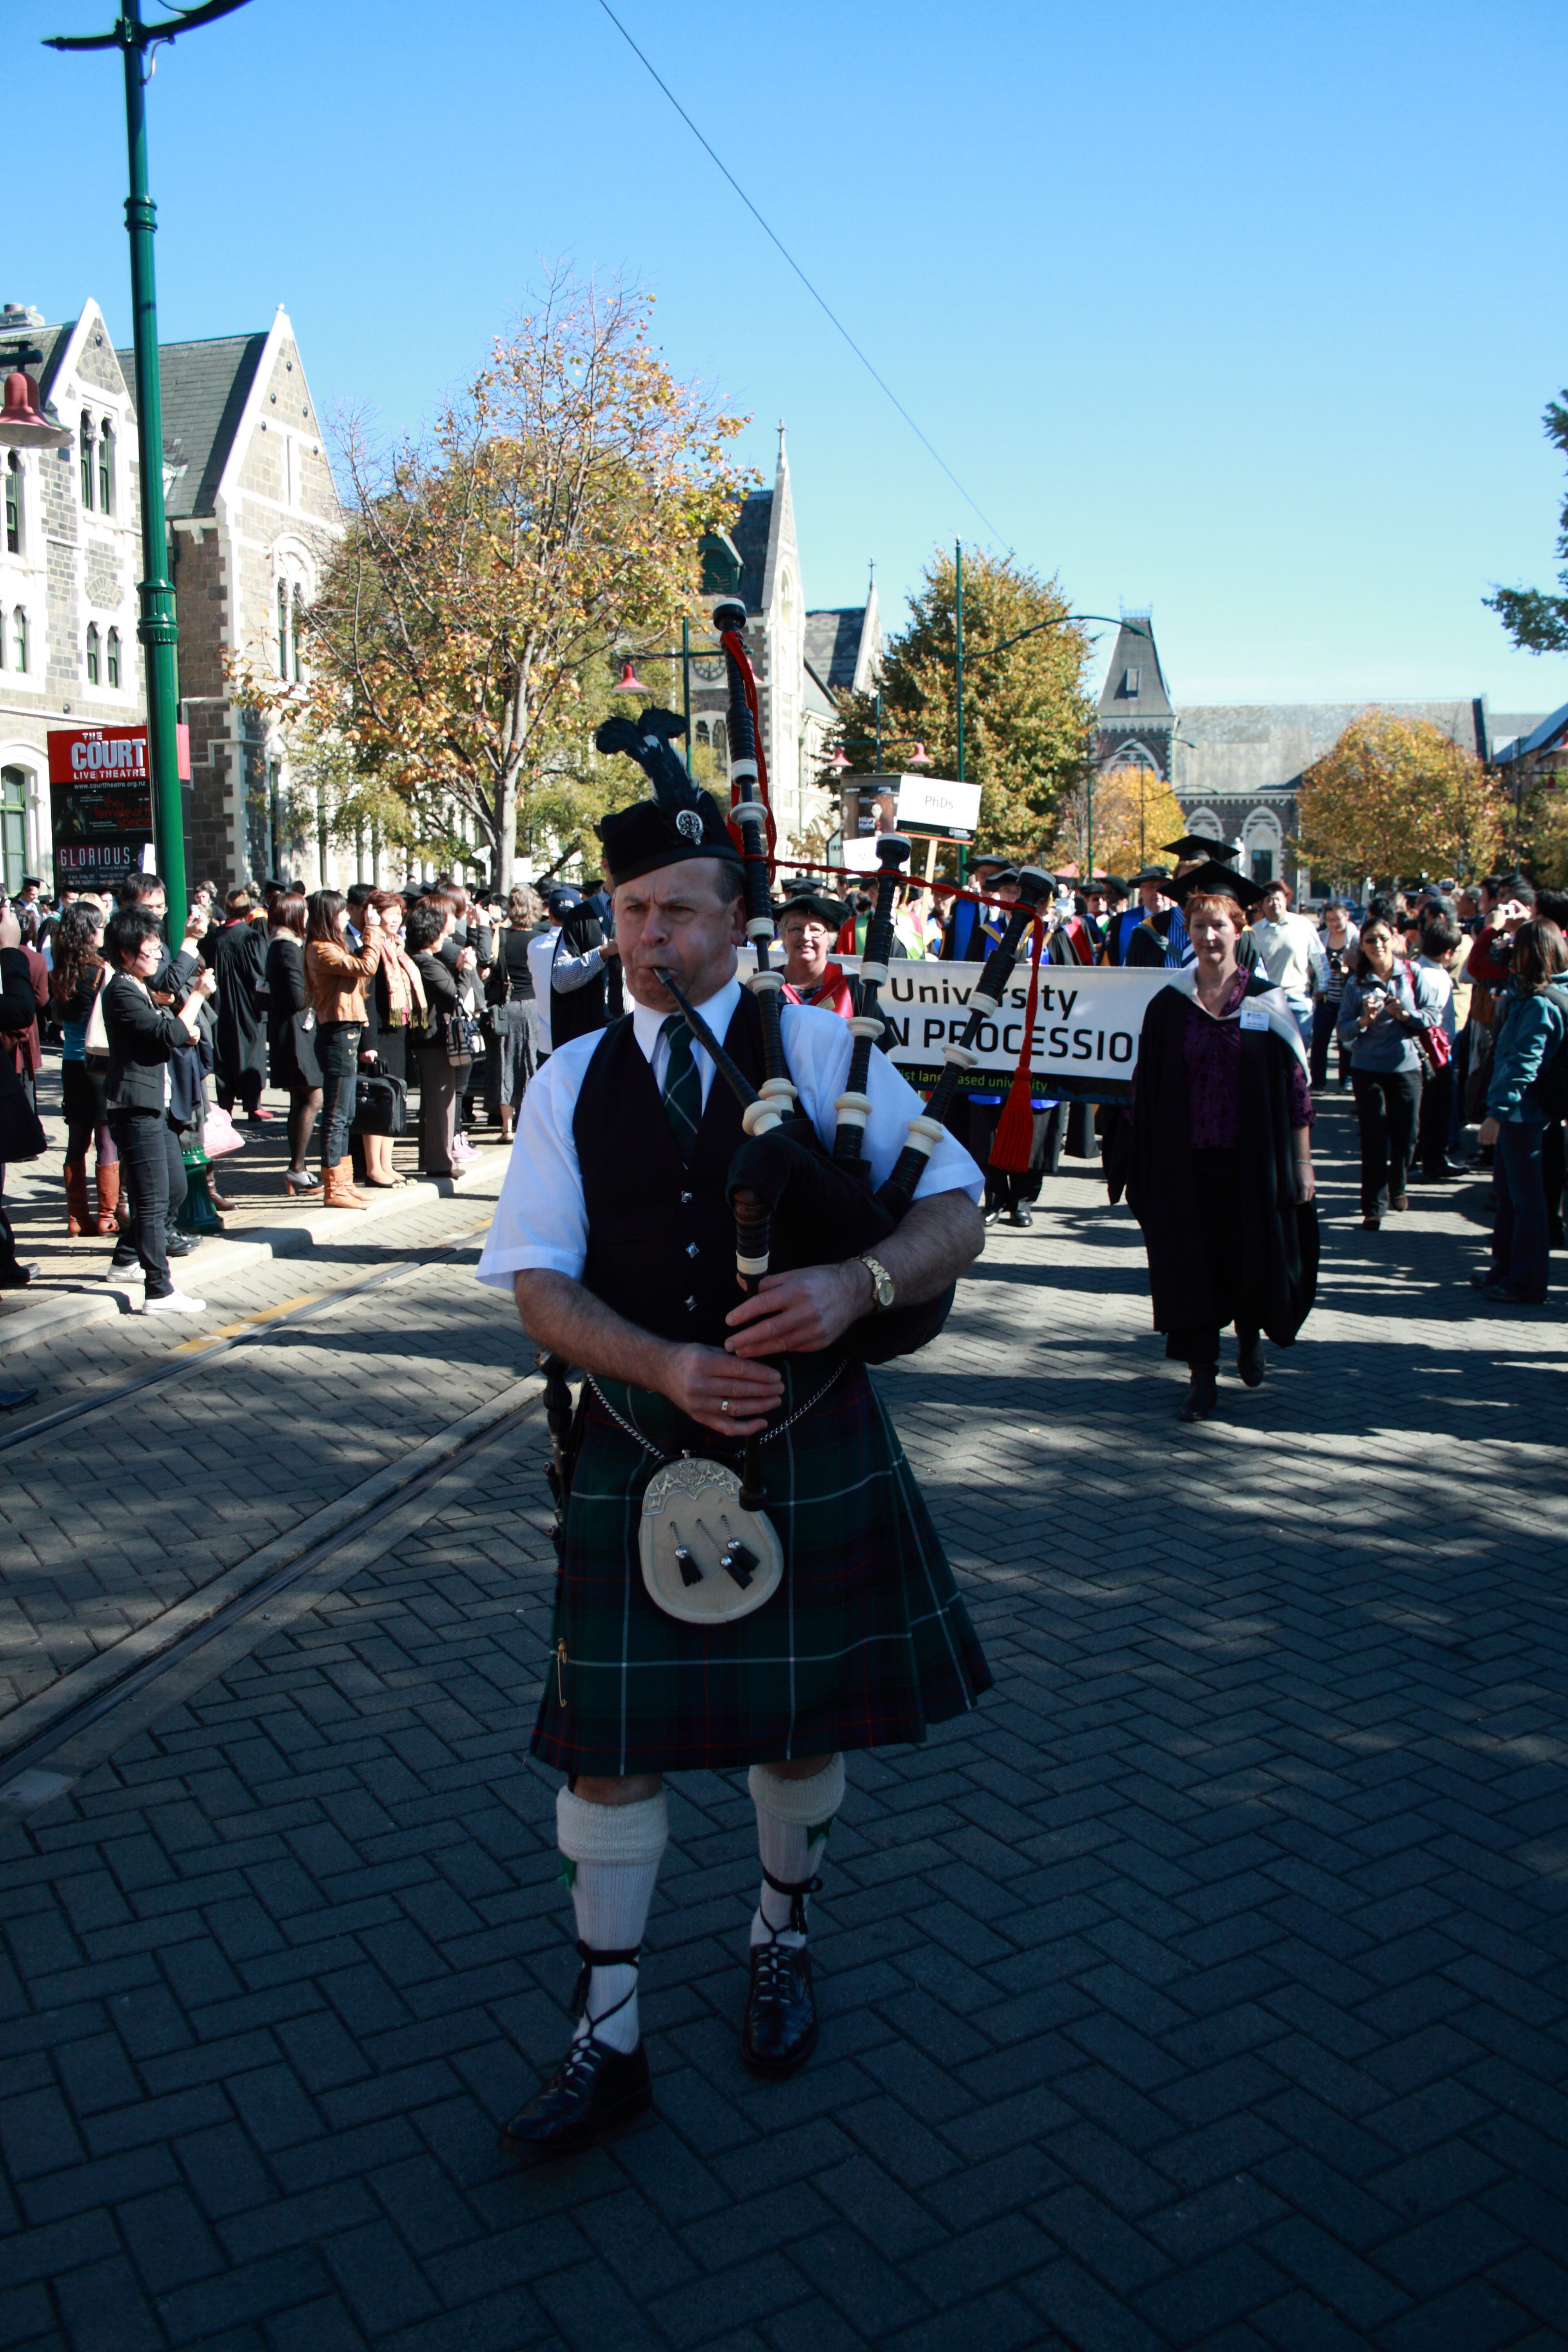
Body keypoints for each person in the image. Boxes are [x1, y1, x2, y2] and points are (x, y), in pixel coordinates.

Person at [475, 760, 989, 2163]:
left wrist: (858, 1286)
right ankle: (608, 2030)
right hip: (638, 1450)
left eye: (677, 911)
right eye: (629, 910)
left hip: (808, 1434)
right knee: (607, 1757)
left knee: (796, 1722)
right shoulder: (570, 1079)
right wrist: (659, 1362)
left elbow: (959, 1208)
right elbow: (536, 1286)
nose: (645, 936)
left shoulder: (821, 1053)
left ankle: (778, 1931)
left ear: (736, 921)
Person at [1125, 886, 1317, 1422]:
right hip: (1186, 1165)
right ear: (1187, 933)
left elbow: (1297, 1089)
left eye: (1219, 927)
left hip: (1253, 1164)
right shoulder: (1169, 1006)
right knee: (1193, 1270)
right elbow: (1148, 1083)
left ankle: (1250, 1334)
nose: (1209, 938)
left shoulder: (1266, 1003)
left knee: (1250, 1259)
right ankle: (1201, 1377)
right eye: (1199, 927)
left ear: (1239, 931)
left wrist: (1303, 1163)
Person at [101, 904, 219, 1312]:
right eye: (148, 948)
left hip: (157, 1108)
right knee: (151, 1201)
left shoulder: (140, 988)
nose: (155, 953)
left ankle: (126, 1260)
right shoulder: (119, 990)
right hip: (135, 1110)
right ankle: (159, 1290)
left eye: (155, 945)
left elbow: (167, 1030)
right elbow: (168, 1031)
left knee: (175, 1189)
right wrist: (199, 996)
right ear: (126, 953)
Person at [1474, 918, 1568, 1305]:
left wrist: (1496, 1112)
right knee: (1513, 1195)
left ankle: (1526, 1282)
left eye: (1517, 949)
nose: (1510, 955)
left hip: (1523, 1114)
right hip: (1526, 1113)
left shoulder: (1542, 1003)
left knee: (1527, 1201)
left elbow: (1523, 1064)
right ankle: (1507, 1270)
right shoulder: (1537, 996)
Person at [1337, 915, 1441, 1230]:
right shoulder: (1356, 983)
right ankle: (1373, 1207)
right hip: (1368, 1067)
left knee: (1407, 1134)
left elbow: (1432, 1015)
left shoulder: (1412, 973)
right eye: (1370, 940)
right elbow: (1343, 1031)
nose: (1378, 945)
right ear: (1363, 947)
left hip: (1406, 1066)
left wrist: (1406, 1014)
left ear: (1393, 939)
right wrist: (1364, 1021)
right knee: (1374, 1138)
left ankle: (1399, 1182)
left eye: (1383, 938)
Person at [303, 889, 382, 1209]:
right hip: (335, 1033)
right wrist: (373, 931)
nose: (345, 917)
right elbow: (365, 967)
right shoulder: (321, 949)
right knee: (336, 1114)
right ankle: (333, 1187)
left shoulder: (333, 945)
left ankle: (345, 1182)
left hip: (347, 1030)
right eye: (340, 913)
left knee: (347, 1113)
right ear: (327, 915)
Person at [50, 900, 121, 1236]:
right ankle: (108, 1215)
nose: (103, 932)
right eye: (100, 927)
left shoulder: (59, 972)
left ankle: (77, 1217)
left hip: (69, 1062)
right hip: (99, 1062)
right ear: (90, 931)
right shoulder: (100, 972)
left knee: (77, 1138)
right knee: (106, 1137)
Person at [357, 889, 425, 1186]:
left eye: (399, 914)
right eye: (390, 913)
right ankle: (374, 1168)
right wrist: (368, 1043)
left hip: (398, 1033)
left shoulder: (398, 947)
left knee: (394, 1100)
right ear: (374, 913)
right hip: (378, 1034)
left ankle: (388, 1164)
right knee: (379, 1101)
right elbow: (366, 999)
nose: (396, 919)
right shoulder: (369, 946)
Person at [264, 890, 323, 1194]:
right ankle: (297, 1168)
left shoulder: (281, 945)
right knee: (313, 1097)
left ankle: (297, 1168)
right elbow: (298, 996)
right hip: (296, 1031)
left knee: (301, 1099)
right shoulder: (287, 948)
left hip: (292, 1030)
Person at [408, 899, 467, 1177]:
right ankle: (441, 1162)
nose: (445, 937)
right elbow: (456, 995)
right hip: (434, 1039)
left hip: (428, 1037)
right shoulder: (427, 964)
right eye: (441, 933)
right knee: (441, 1102)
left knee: (434, 1102)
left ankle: (431, 1159)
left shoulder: (418, 958)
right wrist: (467, 971)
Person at [206, 886, 270, 1122]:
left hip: (218, 1005)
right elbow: (260, 975)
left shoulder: (211, 939)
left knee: (223, 1053)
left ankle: (225, 1107)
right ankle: (253, 1106)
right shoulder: (251, 938)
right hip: (247, 1006)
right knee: (250, 1052)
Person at [485, 887, 541, 1141]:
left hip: (507, 1006)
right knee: (531, 1062)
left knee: (505, 1064)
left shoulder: (502, 936)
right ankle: (530, 1124)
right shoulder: (540, 938)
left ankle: (507, 1128)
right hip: (533, 1004)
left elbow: (491, 964)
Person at [1249, 878, 1328, 1053]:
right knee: (1272, 1051)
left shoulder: (1303, 925)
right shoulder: (1254, 932)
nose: (1274, 903)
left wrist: (1322, 986)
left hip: (1298, 998)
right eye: (1269, 900)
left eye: (1278, 898)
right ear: (1262, 905)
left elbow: (1319, 957)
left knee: (1300, 1048)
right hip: (1268, 1000)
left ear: (1286, 900)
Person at [1412, 912, 1463, 1183]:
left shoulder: (1418, 968)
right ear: (1447, 952)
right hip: (1436, 1050)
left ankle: (1425, 1158)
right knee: (1436, 1108)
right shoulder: (1434, 976)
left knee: (1428, 1109)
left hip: (1430, 1049)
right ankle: (1431, 1159)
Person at [775, 884, 854, 1014]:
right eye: (796, 929)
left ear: (830, 937)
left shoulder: (851, 985)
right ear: (784, 936)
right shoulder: (768, 985)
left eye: (815, 930)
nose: (806, 937)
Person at [1312, 902, 1359, 1089]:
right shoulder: (1321, 937)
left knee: (1346, 1041)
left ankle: (1346, 1079)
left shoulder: (1356, 938)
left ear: (1346, 916)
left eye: (1338, 919)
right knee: (1320, 1040)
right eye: (1329, 920)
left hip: (1348, 998)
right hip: (1326, 997)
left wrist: (1349, 968)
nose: (1334, 924)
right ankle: (1318, 1082)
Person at [940, 853, 1014, 958]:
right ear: (976, 875)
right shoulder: (961, 907)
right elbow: (949, 948)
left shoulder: (1010, 910)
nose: (988, 880)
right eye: (984, 874)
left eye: (994, 875)